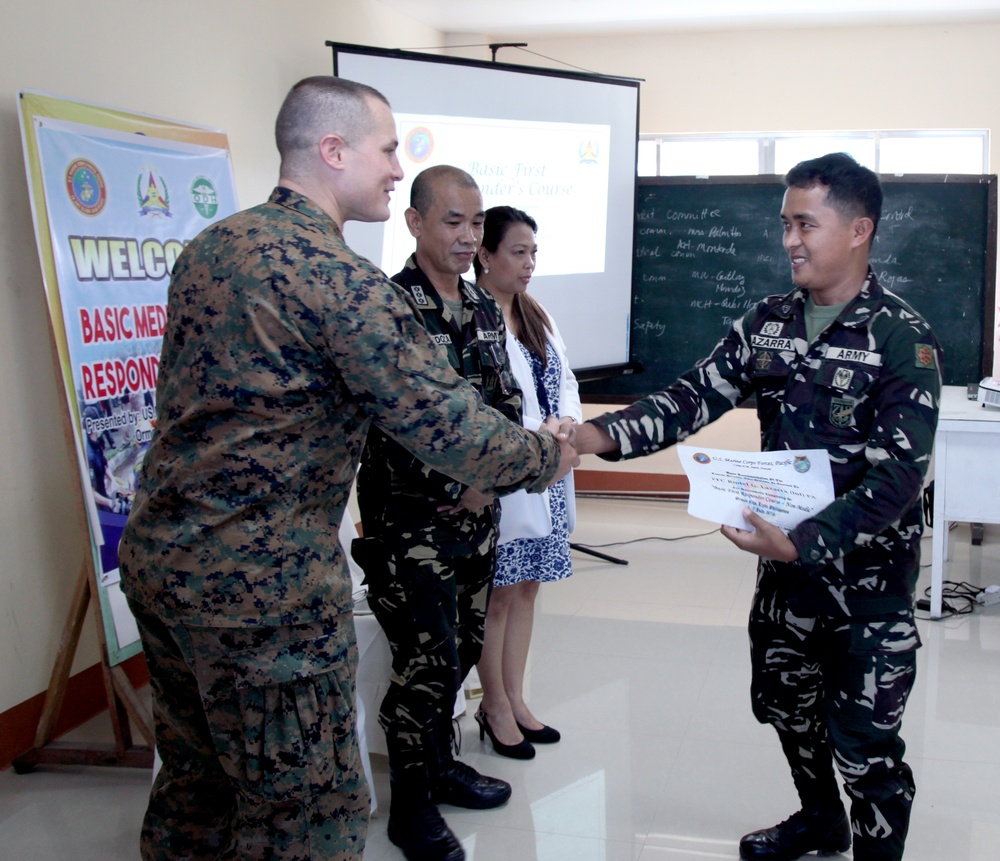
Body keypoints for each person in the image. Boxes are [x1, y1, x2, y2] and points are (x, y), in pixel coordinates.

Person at [117, 78, 576, 861]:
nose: (399, 168)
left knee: (197, 792)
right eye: (389, 149)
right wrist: (550, 452)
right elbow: (449, 426)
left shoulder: (210, 248)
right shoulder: (341, 282)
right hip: (264, 594)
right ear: (333, 151)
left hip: (163, 566)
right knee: (307, 811)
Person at [568, 153, 941, 861]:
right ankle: (819, 820)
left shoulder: (902, 337)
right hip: (784, 576)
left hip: (866, 589)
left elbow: (899, 479)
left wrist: (804, 542)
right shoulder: (767, 322)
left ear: (859, 229)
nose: (790, 240)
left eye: (807, 223)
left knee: (867, 750)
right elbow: (691, 396)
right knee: (789, 708)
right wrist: (595, 435)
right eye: (785, 224)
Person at [353, 165, 526, 861]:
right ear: (416, 222)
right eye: (452, 221)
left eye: (477, 222)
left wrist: (491, 481)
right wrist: (470, 476)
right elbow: (396, 424)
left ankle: (441, 763)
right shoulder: (388, 308)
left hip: (475, 521)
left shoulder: (484, 307)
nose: (467, 235)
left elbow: (506, 404)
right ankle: (412, 809)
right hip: (412, 525)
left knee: (458, 653)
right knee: (424, 664)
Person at [472, 206, 582, 760]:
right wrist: (533, 438)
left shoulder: (537, 314)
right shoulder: (473, 320)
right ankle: (491, 705)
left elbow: (565, 382)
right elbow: (480, 407)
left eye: (533, 252)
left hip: (551, 471)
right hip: (508, 476)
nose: (529, 264)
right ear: (484, 256)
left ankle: (516, 697)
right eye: (518, 252)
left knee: (529, 589)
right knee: (499, 597)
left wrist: (564, 431)